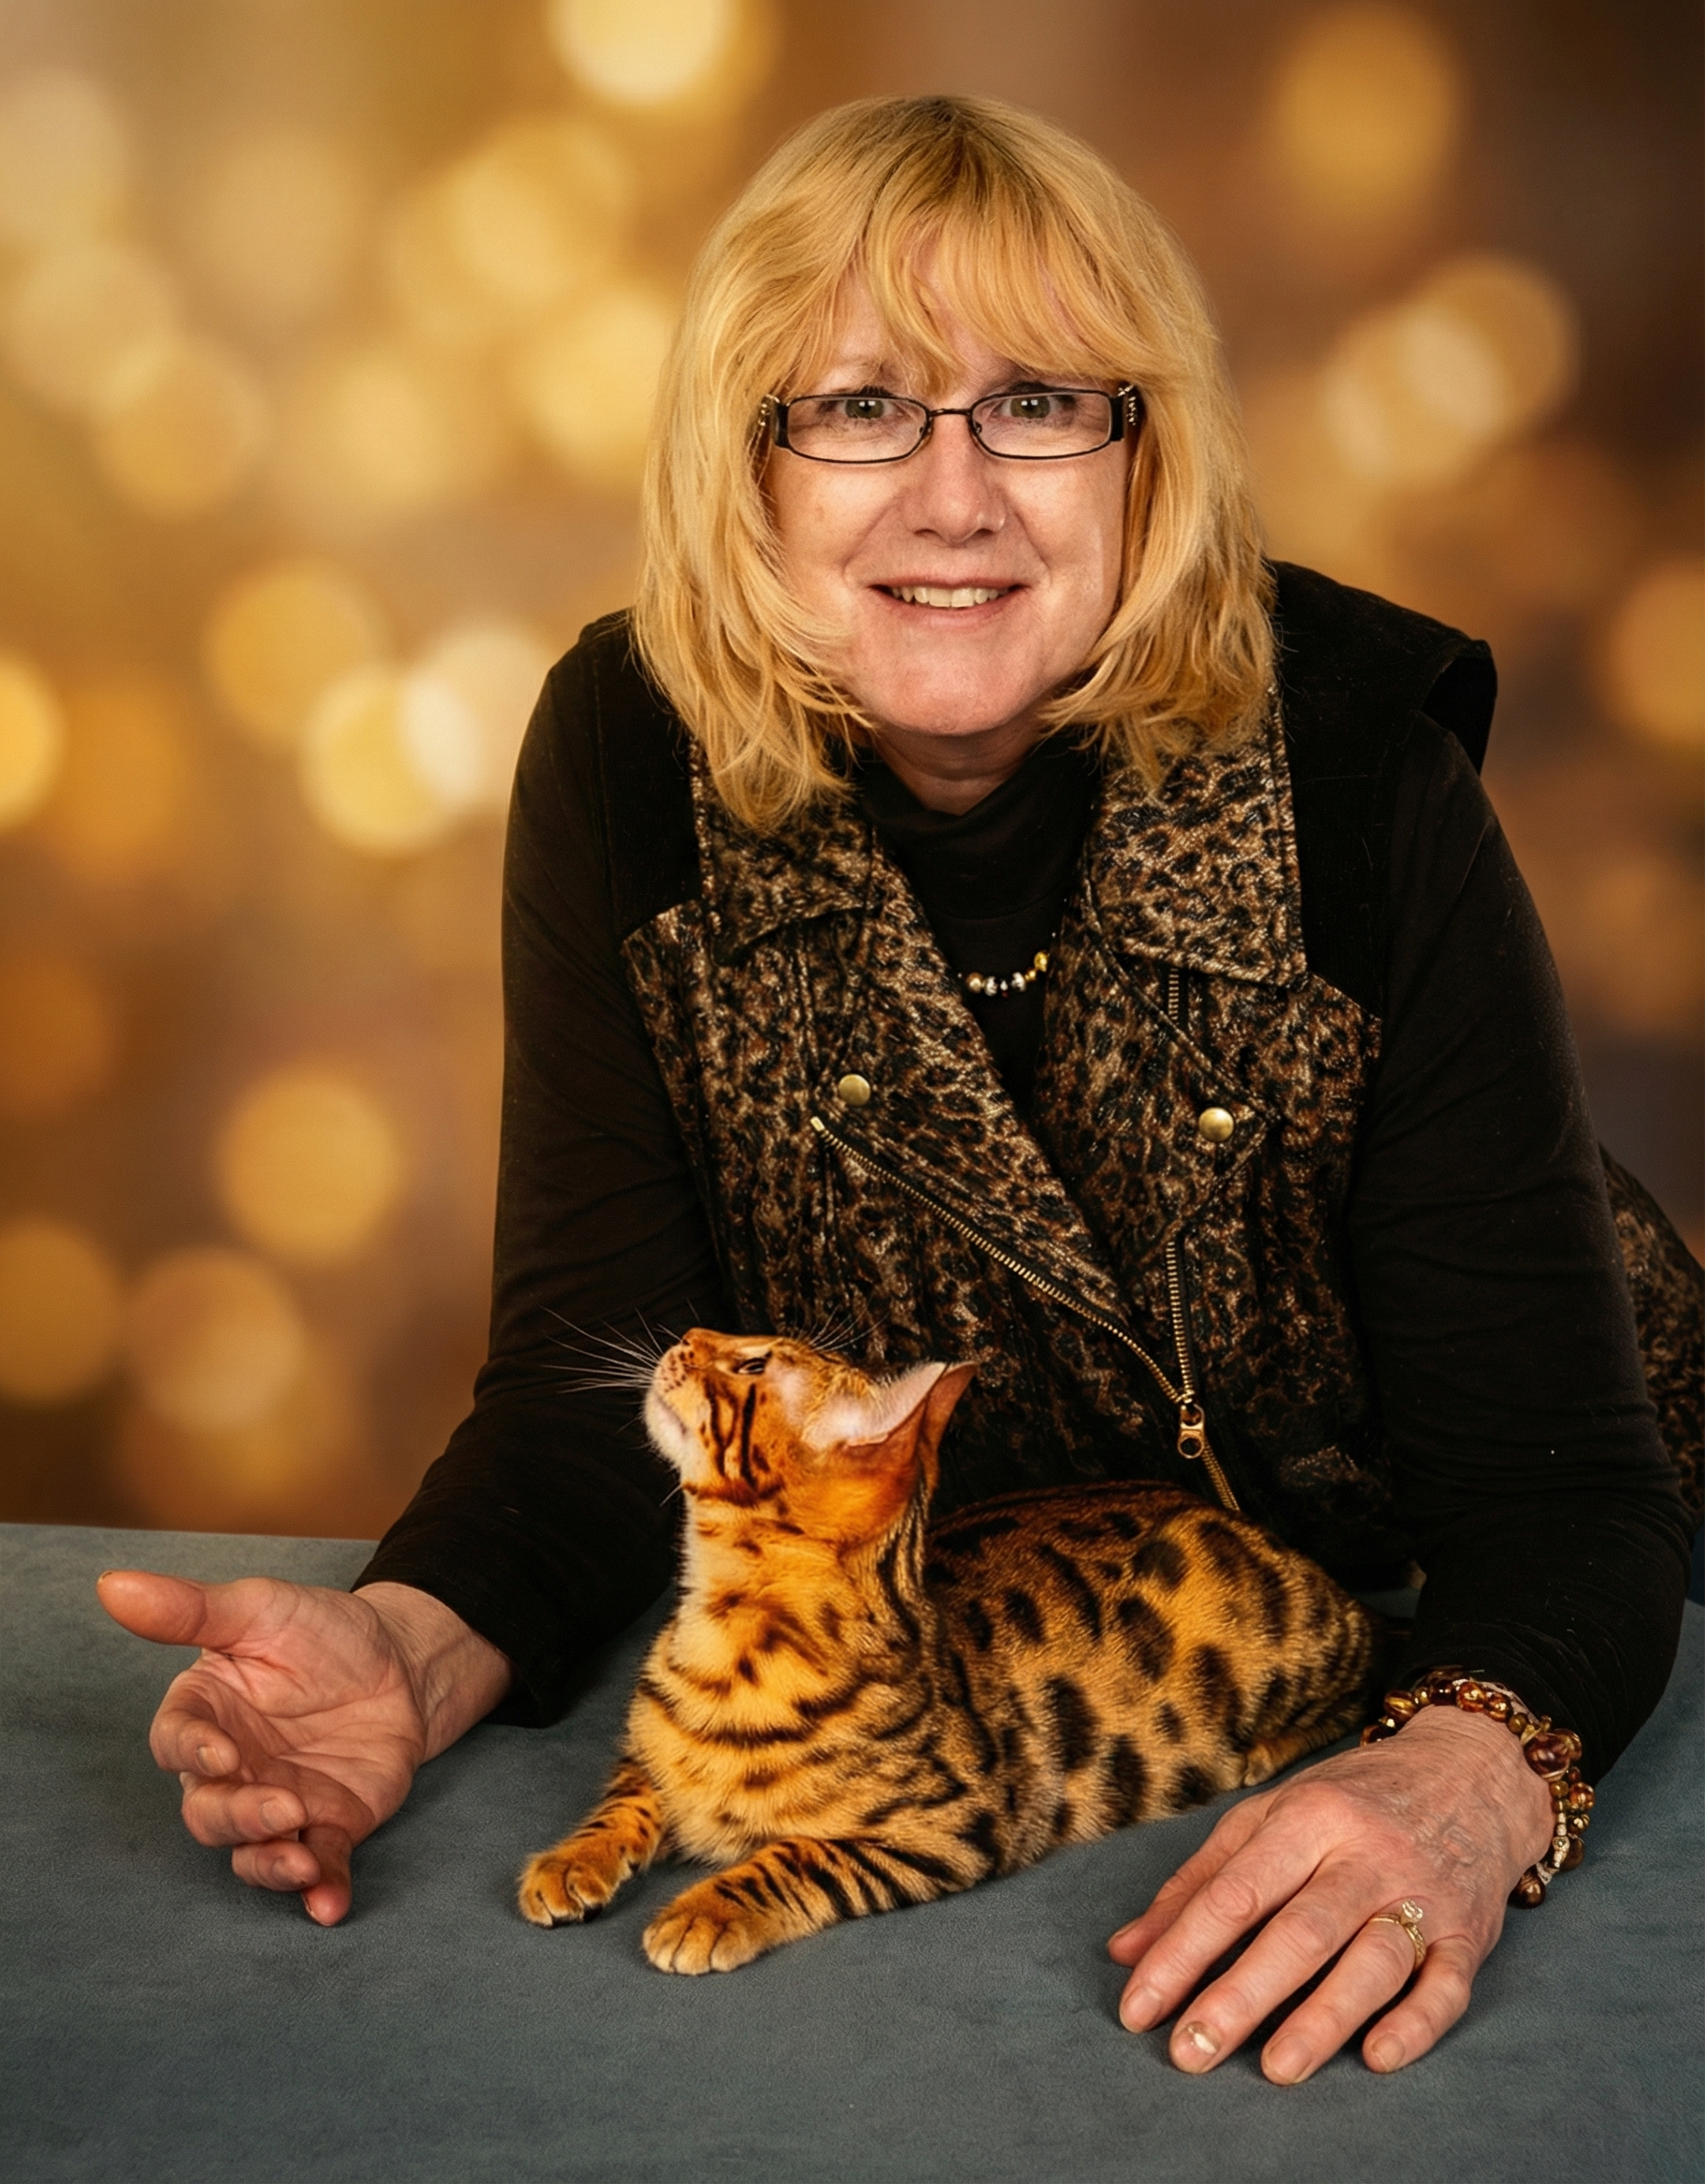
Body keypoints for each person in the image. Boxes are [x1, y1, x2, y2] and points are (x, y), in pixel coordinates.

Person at [98, 94, 1698, 2087]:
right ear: (744, 469)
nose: (954, 496)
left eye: (1040, 402)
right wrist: (410, 1646)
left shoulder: (1367, 770)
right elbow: (595, 1389)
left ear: (1147, 457)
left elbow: (1570, 1497)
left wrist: (1470, 1777)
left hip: (1439, 1605)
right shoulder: (621, 752)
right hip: (1002, 1686)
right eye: (854, 406)